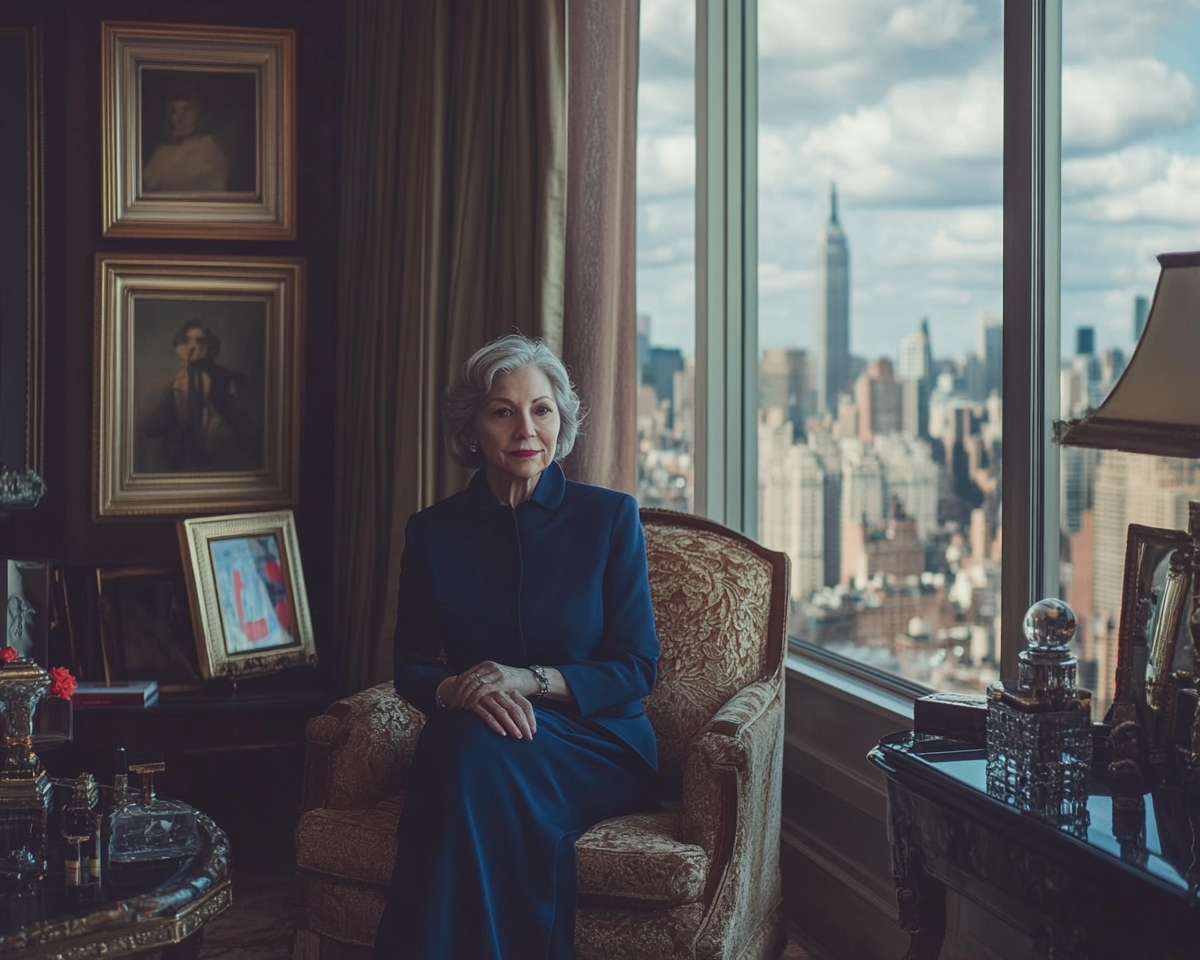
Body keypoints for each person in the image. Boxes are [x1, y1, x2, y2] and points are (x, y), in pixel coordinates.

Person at [373, 333, 660, 960]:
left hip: (596, 740)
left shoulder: (609, 519)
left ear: (561, 420)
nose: (526, 429)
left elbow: (638, 667)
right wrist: (455, 689)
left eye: (541, 409)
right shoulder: (432, 533)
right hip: (480, 735)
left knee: (461, 755)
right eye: (503, 410)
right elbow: (412, 665)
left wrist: (530, 679)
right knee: (465, 743)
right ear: (473, 428)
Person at [138, 319, 260, 473]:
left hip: (224, 461)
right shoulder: (170, 384)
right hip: (184, 464)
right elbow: (151, 429)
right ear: (178, 347)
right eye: (186, 341)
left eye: (200, 341)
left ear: (210, 347)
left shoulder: (230, 380)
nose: (192, 347)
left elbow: (246, 429)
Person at [142, 88, 229, 193]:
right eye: (174, 111)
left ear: (199, 114)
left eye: (187, 110)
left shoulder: (208, 149)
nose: (179, 118)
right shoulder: (162, 150)